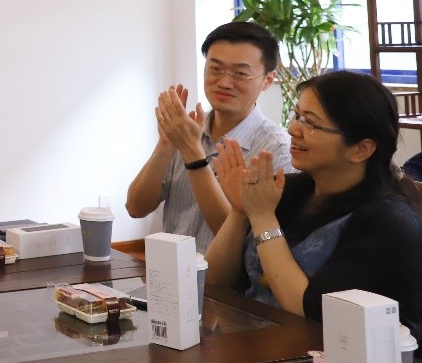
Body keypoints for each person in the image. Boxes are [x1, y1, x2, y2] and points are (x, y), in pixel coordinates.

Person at [205, 70, 422, 346]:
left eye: (311, 123)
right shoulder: (287, 190)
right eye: (297, 115)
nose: (292, 129)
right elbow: (214, 282)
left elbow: (307, 310)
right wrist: (240, 211)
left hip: (331, 360)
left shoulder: (389, 222)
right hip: (258, 345)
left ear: (361, 149)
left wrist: (262, 217)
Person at [125, 21, 292, 252]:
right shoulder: (188, 129)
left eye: (240, 73)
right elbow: (135, 207)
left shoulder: (276, 150)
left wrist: (193, 154)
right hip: (168, 269)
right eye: (215, 68)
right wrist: (165, 146)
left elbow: (243, 243)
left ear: (268, 80)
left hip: (223, 276)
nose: (224, 82)